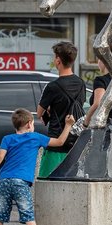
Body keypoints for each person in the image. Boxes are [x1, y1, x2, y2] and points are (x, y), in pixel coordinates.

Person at [0, 108, 74, 225]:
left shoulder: (8, 139)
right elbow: (60, 142)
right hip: (21, 182)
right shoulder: (35, 138)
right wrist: (68, 126)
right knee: (29, 215)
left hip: (5, 180)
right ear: (29, 123)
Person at [36, 41, 86, 179]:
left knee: (48, 182)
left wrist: (51, 109)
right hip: (75, 142)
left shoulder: (52, 86)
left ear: (58, 60)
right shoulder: (81, 83)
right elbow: (79, 105)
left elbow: (39, 113)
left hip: (56, 142)